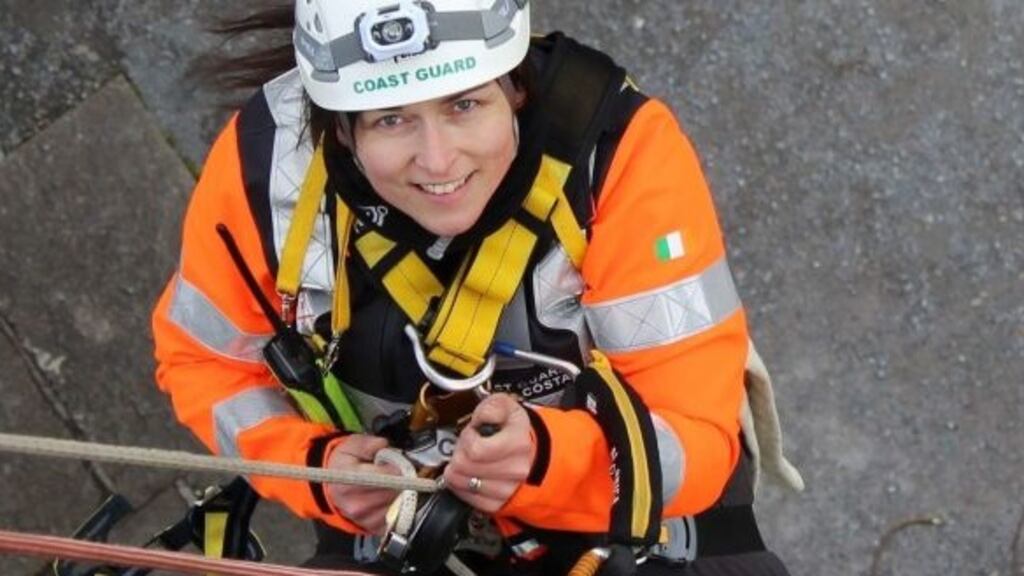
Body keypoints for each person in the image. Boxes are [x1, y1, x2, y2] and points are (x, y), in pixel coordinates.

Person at [152, 1, 796, 574]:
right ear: (341, 128)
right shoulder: (267, 172)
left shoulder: (617, 154)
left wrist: (549, 459)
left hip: (637, 518)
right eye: (391, 120)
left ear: (514, 88)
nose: (438, 160)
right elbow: (205, 364)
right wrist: (317, 469)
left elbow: (696, 436)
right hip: (402, 524)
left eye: (464, 105)